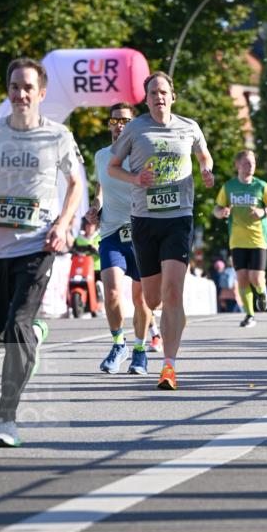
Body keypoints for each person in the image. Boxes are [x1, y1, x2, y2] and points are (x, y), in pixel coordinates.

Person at [0, 57, 83, 447]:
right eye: (15, 87)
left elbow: (76, 184)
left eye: (28, 87)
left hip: (38, 243)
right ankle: (34, 334)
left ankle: (6, 419)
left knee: (16, 327)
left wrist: (62, 224)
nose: (21, 94)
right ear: (8, 91)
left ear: (41, 93)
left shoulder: (58, 135)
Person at [108, 71, 214, 390]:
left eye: (163, 92)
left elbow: (204, 155)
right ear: (147, 99)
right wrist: (136, 179)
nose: (159, 97)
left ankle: (169, 366)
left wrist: (206, 169)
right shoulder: (135, 129)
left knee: (173, 293)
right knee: (153, 299)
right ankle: (172, 320)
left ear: (173, 96)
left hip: (178, 218)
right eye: (153, 93)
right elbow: (113, 168)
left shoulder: (189, 127)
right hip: (144, 219)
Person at [88, 102, 159, 376]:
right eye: (115, 120)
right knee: (112, 293)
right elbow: (101, 188)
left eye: (125, 121)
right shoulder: (101, 156)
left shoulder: (143, 155)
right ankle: (119, 344)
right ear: (109, 124)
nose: (119, 125)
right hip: (111, 233)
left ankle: (140, 351)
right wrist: (95, 207)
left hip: (142, 233)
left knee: (141, 299)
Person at [213, 149, 267, 328]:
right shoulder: (229, 187)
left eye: (253, 163)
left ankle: (261, 292)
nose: (251, 166)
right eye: (247, 163)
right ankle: (249, 315)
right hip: (237, 240)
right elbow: (217, 208)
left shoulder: (262, 186)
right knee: (242, 279)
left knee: (256, 277)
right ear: (237, 165)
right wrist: (221, 212)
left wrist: (263, 211)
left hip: (258, 239)